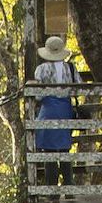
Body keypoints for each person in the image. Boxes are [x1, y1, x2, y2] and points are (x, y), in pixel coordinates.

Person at [30, 32, 81, 187]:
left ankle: (52, 191)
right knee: (64, 149)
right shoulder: (70, 68)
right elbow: (79, 88)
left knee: (49, 152)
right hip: (65, 109)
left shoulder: (41, 69)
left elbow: (37, 95)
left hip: (48, 110)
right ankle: (69, 186)